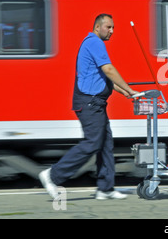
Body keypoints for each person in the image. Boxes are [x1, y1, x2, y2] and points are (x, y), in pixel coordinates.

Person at [39, 13, 139, 200]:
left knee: (105, 144)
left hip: (95, 103)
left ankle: (105, 189)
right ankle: (52, 175)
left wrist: (123, 91)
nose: (112, 31)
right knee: (93, 142)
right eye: (108, 27)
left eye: (113, 27)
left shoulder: (92, 43)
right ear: (97, 27)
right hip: (89, 102)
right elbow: (108, 69)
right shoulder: (94, 42)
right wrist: (130, 90)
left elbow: (103, 76)